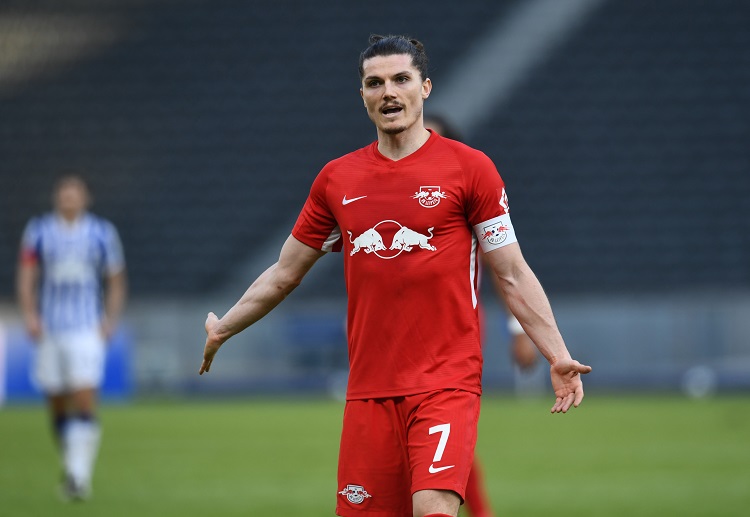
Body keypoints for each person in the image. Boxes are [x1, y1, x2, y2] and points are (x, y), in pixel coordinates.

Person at [200, 35, 591, 517]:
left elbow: (511, 272)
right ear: (362, 95)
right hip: (369, 390)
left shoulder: (471, 170)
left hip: (446, 382)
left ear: (425, 87)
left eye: (401, 79)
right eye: (375, 83)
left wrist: (557, 353)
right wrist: (224, 328)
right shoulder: (336, 179)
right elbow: (284, 274)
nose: (388, 92)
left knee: (432, 507)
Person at [423, 114, 538, 517]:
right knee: (420, 436)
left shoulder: (463, 192)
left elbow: (503, 268)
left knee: (442, 429)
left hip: (453, 326)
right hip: (396, 329)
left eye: (433, 138)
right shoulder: (387, 189)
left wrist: (518, 329)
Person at [16, 174, 127, 501]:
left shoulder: (102, 233)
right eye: (64, 193)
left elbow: (116, 279)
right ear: (56, 197)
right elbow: (27, 276)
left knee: (83, 395)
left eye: (74, 193)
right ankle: (72, 465)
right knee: (56, 404)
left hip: (86, 328)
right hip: (51, 328)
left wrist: (110, 319)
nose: (69, 198)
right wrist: (30, 314)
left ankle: (79, 475)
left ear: (85, 198)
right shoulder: (38, 231)